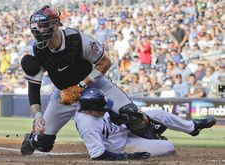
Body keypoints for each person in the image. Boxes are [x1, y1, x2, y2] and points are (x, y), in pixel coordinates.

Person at [19, 6, 149, 155]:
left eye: (43, 26)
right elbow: (33, 89)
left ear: (55, 24)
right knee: (42, 144)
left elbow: (105, 63)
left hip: (96, 85)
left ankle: (153, 138)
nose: (39, 30)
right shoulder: (37, 51)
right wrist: (37, 117)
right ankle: (32, 137)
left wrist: (81, 86)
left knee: (132, 114)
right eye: (36, 27)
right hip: (64, 95)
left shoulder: (78, 40)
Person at [75, 88, 217, 160]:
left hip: (124, 131)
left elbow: (111, 115)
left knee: (159, 114)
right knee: (169, 147)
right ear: (90, 111)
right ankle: (154, 138)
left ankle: (192, 127)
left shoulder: (93, 107)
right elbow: (98, 154)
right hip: (123, 146)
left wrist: (124, 118)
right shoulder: (88, 125)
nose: (105, 108)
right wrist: (127, 157)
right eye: (102, 107)